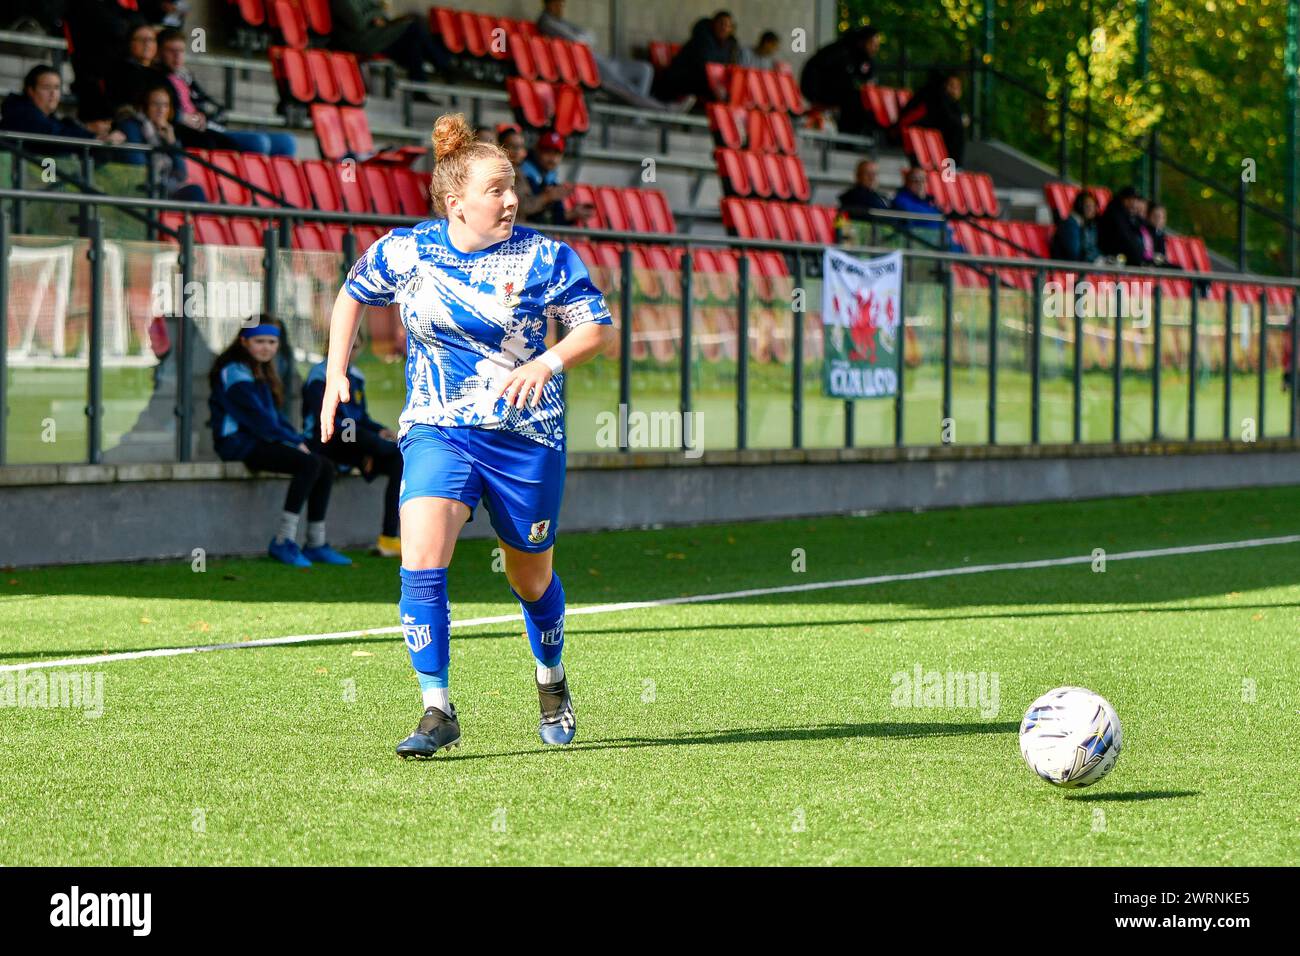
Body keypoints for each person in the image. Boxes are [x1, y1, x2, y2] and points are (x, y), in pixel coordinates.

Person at [319, 112, 615, 756]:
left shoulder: (545, 256)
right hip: (438, 429)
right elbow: (350, 294)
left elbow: (595, 326)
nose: (511, 199)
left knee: (530, 578)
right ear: (455, 202)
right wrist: (334, 370)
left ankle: (552, 679)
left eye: (512, 187)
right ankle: (436, 708)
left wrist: (548, 360)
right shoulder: (407, 250)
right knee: (420, 557)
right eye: (496, 189)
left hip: (526, 440)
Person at [208, 319, 351, 568]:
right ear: (244, 342)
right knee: (308, 464)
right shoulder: (234, 371)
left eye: (272, 342)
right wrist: (293, 442)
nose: (266, 348)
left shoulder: (260, 370)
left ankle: (316, 543)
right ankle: (283, 540)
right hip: (238, 444)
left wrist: (296, 439)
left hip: (258, 440)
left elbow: (273, 419)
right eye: (259, 341)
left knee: (324, 465)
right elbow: (257, 418)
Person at [303, 335, 403, 558]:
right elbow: (331, 423)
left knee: (398, 460)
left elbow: (362, 418)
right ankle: (397, 449)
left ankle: (388, 538)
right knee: (376, 443)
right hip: (325, 442)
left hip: (356, 444)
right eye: (344, 343)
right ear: (330, 346)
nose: (350, 350)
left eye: (355, 346)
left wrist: (379, 430)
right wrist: (369, 446)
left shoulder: (356, 376)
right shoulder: (320, 375)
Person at [155, 29, 295, 156]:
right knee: (258, 142)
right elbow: (167, 113)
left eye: (181, 51)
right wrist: (186, 118)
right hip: (192, 134)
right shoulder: (157, 78)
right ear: (159, 52)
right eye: (171, 51)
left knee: (287, 141)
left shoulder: (185, 76)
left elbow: (206, 102)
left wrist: (207, 114)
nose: (177, 56)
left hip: (209, 127)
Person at [537, 0, 678, 111]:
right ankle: (663, 109)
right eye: (557, 3)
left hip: (602, 60)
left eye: (562, 4)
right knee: (627, 88)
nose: (560, 8)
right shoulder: (547, 22)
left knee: (644, 69)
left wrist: (584, 39)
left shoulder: (562, 22)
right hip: (589, 67)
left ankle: (643, 112)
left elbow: (590, 35)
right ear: (548, 3)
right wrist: (584, 40)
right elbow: (580, 40)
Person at [114, 84, 207, 201]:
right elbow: (137, 166)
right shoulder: (132, 126)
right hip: (143, 188)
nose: (161, 110)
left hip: (165, 187)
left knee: (195, 191)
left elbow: (181, 174)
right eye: (155, 104)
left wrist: (172, 143)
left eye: (165, 105)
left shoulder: (167, 130)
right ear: (145, 106)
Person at [329, 0, 451, 88]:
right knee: (413, 29)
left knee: (413, 42)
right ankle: (445, 66)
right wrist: (373, 16)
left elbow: (380, 9)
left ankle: (420, 88)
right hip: (356, 41)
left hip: (373, 35)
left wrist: (373, 14)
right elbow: (357, 23)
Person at [0, 66, 126, 147]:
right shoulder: (20, 113)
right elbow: (52, 134)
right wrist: (94, 137)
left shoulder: (51, 119)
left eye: (56, 88)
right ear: (31, 91)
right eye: (46, 87)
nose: (53, 93)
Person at [799, 27, 878, 135]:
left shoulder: (863, 59)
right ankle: (847, 138)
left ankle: (854, 137)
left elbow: (867, 79)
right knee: (855, 101)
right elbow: (817, 73)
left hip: (835, 91)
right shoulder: (840, 52)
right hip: (817, 90)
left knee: (862, 100)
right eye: (872, 43)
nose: (875, 48)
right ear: (862, 42)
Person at [652, 10, 740, 104]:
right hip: (679, 79)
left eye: (728, 26)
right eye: (721, 24)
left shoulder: (730, 45)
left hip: (701, 83)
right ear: (713, 24)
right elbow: (703, 67)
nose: (724, 28)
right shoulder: (702, 38)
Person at [518, 130, 594, 226]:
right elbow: (523, 210)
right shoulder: (523, 173)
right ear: (537, 151)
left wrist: (573, 213)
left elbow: (555, 220)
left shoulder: (551, 177)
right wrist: (546, 198)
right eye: (547, 152)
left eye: (557, 153)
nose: (552, 158)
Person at [898, 69, 966, 165]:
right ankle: (953, 166)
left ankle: (952, 165)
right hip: (912, 124)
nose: (954, 89)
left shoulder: (945, 97)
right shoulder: (935, 93)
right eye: (951, 85)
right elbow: (946, 117)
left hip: (923, 124)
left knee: (955, 128)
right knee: (955, 129)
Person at [499, 125, 549, 221]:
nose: (518, 152)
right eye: (513, 147)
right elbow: (522, 207)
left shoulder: (519, 172)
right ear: (500, 148)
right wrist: (546, 197)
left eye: (521, 147)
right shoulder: (504, 173)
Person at [1097, 185, 1149, 265]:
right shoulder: (1114, 215)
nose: (1134, 203)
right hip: (1114, 262)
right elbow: (1126, 240)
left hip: (1128, 264)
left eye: (1136, 200)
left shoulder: (1133, 218)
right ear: (1122, 199)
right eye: (1130, 199)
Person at [1050, 190, 1100, 263]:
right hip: (1068, 271)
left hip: (1082, 268)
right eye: (1088, 206)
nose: (1092, 209)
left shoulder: (1089, 224)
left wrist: (1100, 259)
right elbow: (1074, 254)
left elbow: (1093, 248)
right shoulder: (1069, 224)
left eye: (1093, 206)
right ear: (1079, 206)